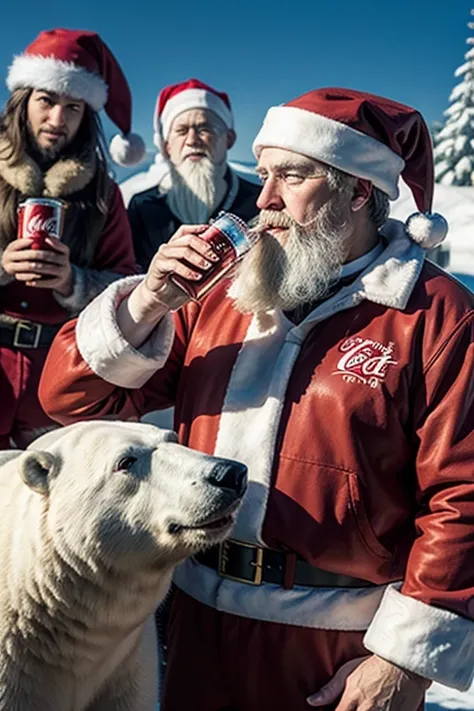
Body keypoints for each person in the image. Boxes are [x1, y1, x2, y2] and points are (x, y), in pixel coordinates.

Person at [39, 88, 474, 711]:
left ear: (357, 192)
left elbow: (463, 501)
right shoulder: (220, 294)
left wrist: (402, 662)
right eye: (264, 174)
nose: (264, 199)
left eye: (291, 177)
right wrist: (146, 302)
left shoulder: (436, 316)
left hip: (334, 649)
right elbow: (70, 398)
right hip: (190, 622)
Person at [0, 28, 145, 449]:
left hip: (57, 379)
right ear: (23, 101)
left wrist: (71, 282)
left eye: (73, 107)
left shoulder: (103, 194)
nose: (57, 120)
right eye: (46, 101)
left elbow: (124, 284)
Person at [127, 78, 260, 271]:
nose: (192, 140)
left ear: (229, 139)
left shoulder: (259, 203)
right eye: (181, 131)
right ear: (167, 147)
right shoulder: (143, 206)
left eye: (204, 129)